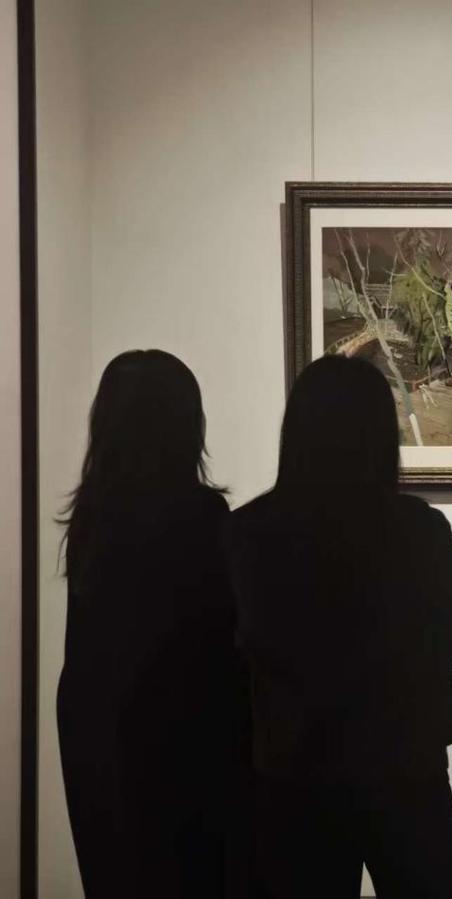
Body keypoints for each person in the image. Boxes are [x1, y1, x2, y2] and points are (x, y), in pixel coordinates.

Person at [226, 355, 452, 899]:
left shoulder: (250, 533)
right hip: (405, 761)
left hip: (294, 765)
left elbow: (230, 656)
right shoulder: (418, 529)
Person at [57, 350, 249, 898]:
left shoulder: (93, 521)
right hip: (189, 739)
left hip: (99, 733)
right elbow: (224, 649)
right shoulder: (204, 518)